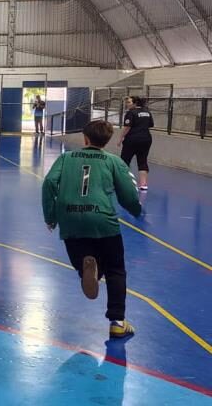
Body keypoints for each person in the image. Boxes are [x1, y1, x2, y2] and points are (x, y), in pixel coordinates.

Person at [42, 120, 142, 339]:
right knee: (116, 269)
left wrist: (50, 216)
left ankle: (87, 268)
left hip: (70, 218)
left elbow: (49, 182)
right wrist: (137, 211)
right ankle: (117, 322)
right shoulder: (113, 161)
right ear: (106, 141)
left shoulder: (66, 158)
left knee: (84, 258)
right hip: (102, 220)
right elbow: (128, 193)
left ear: (85, 138)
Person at [118, 96, 153, 191]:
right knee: (142, 161)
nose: (127, 104)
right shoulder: (147, 112)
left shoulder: (131, 113)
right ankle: (143, 184)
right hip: (146, 139)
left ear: (135, 103)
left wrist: (120, 138)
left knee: (125, 160)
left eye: (129, 102)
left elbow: (127, 127)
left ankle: (124, 182)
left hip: (132, 139)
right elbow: (150, 125)